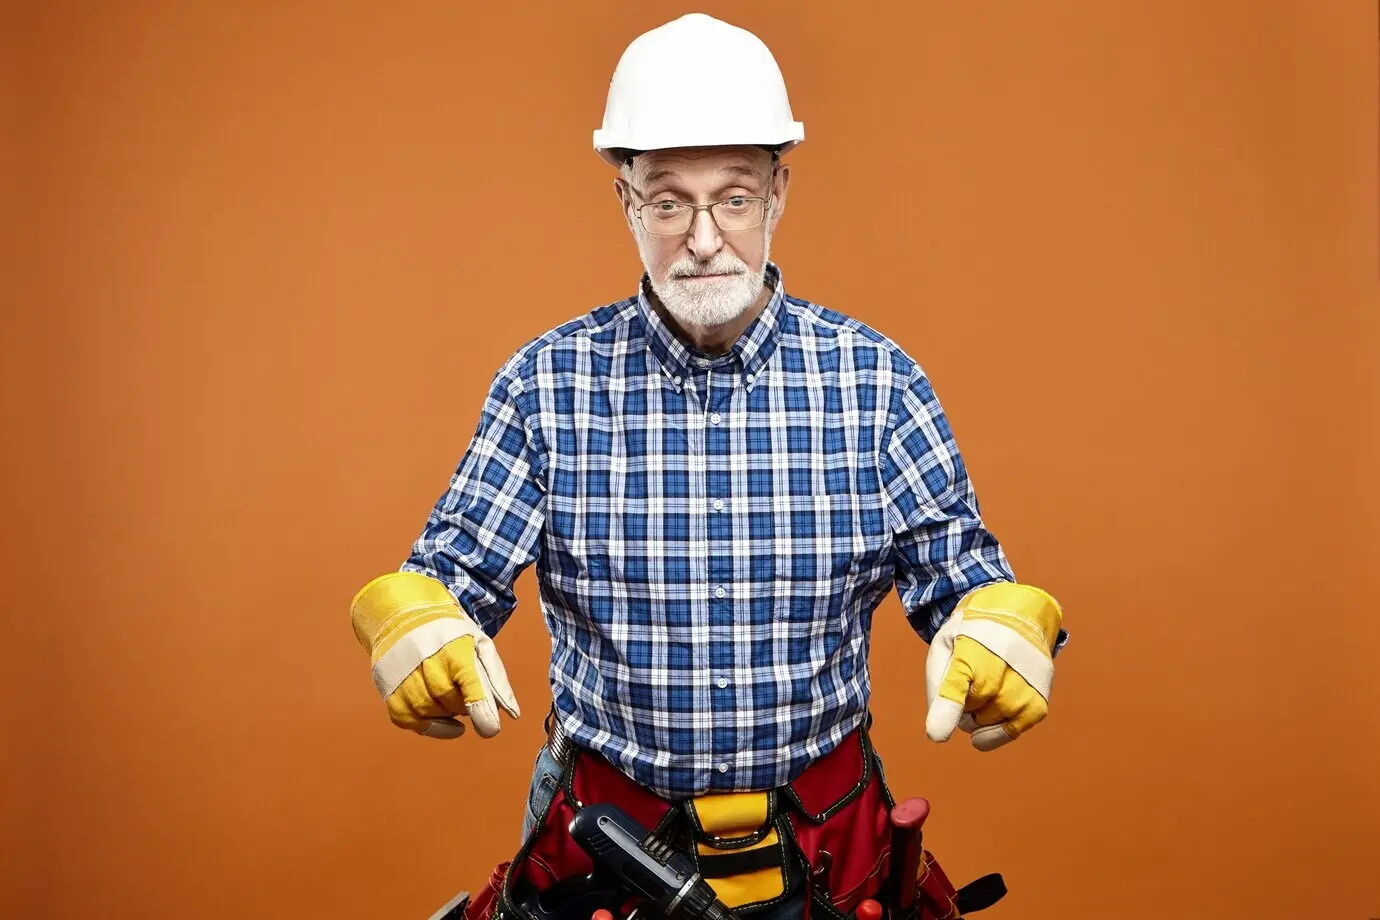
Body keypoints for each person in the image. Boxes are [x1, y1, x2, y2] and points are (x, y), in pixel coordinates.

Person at [349, 13, 1068, 920]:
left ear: (777, 195)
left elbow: (961, 579)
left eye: (732, 197)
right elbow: (450, 581)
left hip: (828, 855)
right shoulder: (545, 386)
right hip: (606, 856)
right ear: (626, 204)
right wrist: (415, 617)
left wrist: (1001, 619)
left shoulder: (878, 382)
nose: (701, 238)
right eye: (667, 201)